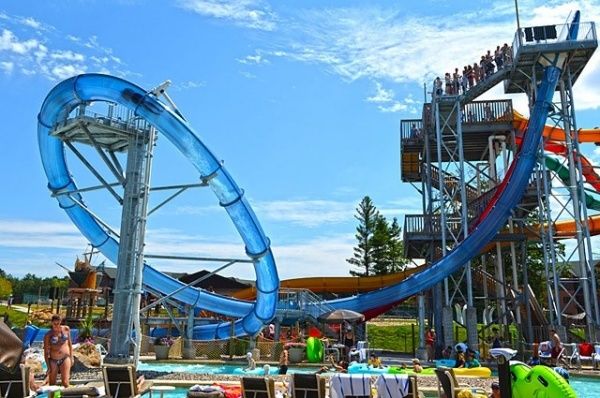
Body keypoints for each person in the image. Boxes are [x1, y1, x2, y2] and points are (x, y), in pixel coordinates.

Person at [43, 314, 73, 387]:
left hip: (65, 358)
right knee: (52, 383)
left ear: (61, 322)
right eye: (54, 324)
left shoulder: (66, 329)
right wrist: (48, 366)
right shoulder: (48, 335)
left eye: (58, 323)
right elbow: (46, 351)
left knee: (65, 382)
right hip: (54, 360)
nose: (56, 325)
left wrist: (71, 357)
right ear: (51, 323)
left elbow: (69, 344)